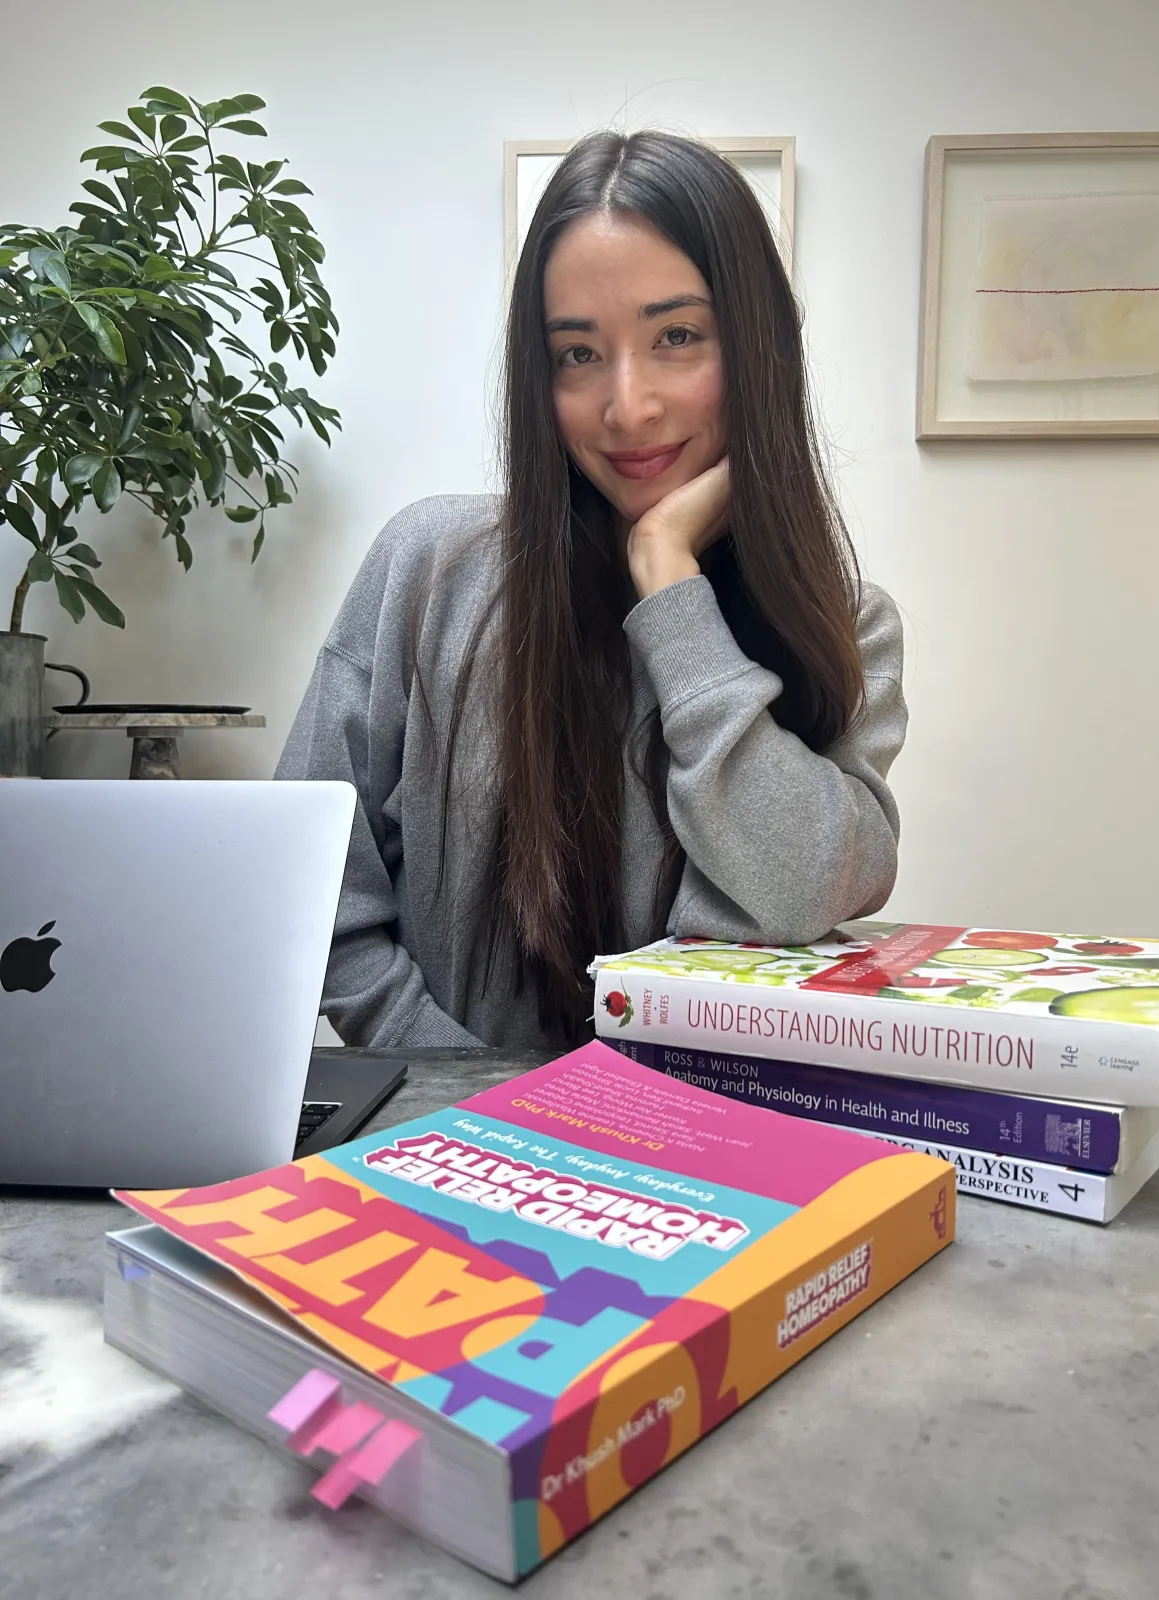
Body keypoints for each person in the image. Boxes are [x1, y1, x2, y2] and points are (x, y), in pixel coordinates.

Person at [276, 129, 908, 1054]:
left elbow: (806, 883)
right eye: (578, 354)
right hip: (455, 1146)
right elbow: (313, 899)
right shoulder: (430, 571)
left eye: (678, 337)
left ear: (760, 351)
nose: (628, 406)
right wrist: (479, 1100)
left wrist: (671, 585)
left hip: (721, 1154)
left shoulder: (844, 623)